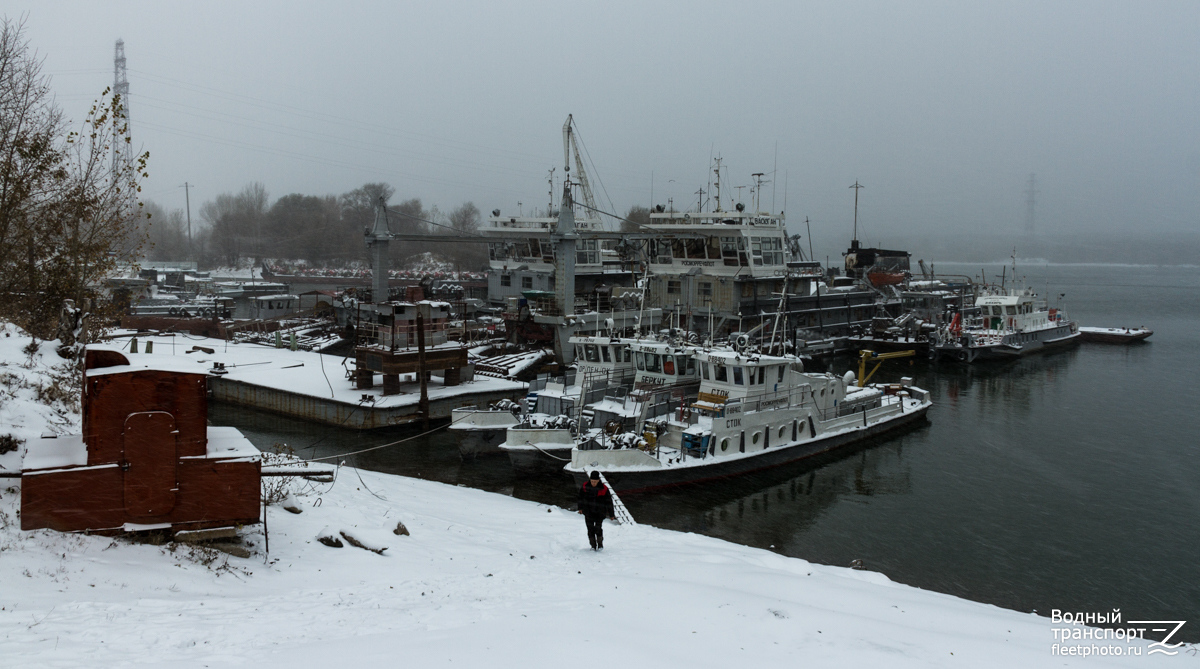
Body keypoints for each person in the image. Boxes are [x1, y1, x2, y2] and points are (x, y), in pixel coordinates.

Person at [577, 470, 615, 550]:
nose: (593, 483)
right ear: (590, 480)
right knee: (590, 529)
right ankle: (593, 545)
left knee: (598, 528)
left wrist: (611, 514)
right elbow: (580, 498)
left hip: (600, 512)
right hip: (588, 511)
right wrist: (580, 508)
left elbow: (609, 502)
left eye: (595, 481)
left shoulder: (604, 489)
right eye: (592, 481)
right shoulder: (585, 486)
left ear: (598, 480)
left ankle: (600, 544)